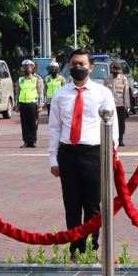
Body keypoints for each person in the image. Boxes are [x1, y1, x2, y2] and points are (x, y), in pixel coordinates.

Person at [48, 49, 118, 258]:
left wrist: (111, 155)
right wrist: (53, 158)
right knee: (71, 205)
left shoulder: (102, 93)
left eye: (82, 63)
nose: (78, 67)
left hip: (94, 152)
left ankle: (90, 248)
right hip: (68, 153)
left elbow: (112, 125)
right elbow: (54, 128)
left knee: (92, 205)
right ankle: (74, 249)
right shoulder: (60, 94)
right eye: (73, 63)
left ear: (91, 67)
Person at [14, 60, 44, 148]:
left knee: (33, 123)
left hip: (33, 104)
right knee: (24, 124)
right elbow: (17, 93)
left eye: (29, 67)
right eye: (26, 67)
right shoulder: (20, 79)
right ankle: (26, 141)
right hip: (23, 104)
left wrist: (40, 105)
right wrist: (16, 105)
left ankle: (33, 141)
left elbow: (40, 93)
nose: (27, 68)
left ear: (33, 68)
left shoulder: (37, 79)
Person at [104, 61, 131, 146]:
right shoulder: (107, 79)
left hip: (120, 104)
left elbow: (126, 93)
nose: (115, 71)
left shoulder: (123, 79)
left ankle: (121, 138)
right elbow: (104, 92)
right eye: (114, 69)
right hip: (109, 105)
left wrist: (127, 105)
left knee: (121, 123)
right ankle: (110, 139)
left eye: (117, 70)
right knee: (109, 122)